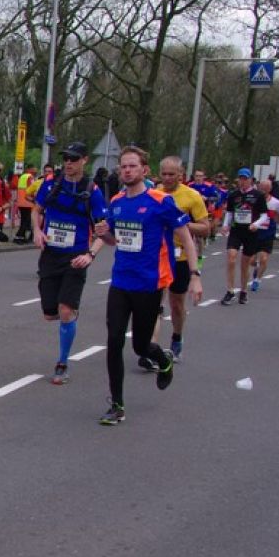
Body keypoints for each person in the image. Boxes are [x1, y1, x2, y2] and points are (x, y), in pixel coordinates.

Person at [99, 147, 200, 426]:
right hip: (121, 281)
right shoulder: (117, 202)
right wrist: (104, 234)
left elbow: (186, 238)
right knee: (114, 340)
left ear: (144, 170)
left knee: (141, 346)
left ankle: (162, 359)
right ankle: (117, 404)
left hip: (149, 283)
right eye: (123, 166)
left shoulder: (161, 201)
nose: (127, 170)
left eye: (132, 166)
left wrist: (195, 275)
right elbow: (115, 240)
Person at [32, 142, 108, 385]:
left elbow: (105, 231)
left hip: (76, 257)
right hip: (50, 255)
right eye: (66, 158)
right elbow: (37, 210)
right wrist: (37, 231)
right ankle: (69, 314)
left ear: (84, 160)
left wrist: (91, 255)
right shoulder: (51, 184)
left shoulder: (92, 191)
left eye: (73, 159)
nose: (68, 163)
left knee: (65, 310)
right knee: (50, 314)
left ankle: (62, 362)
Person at [148, 156, 208, 362]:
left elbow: (205, 228)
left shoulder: (192, 196)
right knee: (154, 302)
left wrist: (181, 224)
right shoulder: (154, 194)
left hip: (181, 256)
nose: (167, 178)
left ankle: (177, 336)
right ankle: (152, 347)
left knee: (176, 304)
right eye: (164, 174)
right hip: (157, 255)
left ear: (181, 175)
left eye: (171, 174)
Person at [221, 168, 267, 305]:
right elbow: (229, 212)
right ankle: (230, 291)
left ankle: (243, 291)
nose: (242, 181)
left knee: (245, 263)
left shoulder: (258, 195)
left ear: (250, 180)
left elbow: (264, 216)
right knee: (231, 258)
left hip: (250, 232)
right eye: (240, 178)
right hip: (236, 230)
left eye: (245, 179)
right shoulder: (233, 195)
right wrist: (225, 225)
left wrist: (256, 224)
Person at [248, 178, 279, 293]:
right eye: (262, 187)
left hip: (268, 234)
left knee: (264, 259)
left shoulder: (275, 202)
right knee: (251, 261)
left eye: (266, 188)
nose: (263, 190)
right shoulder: (254, 200)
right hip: (254, 233)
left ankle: (257, 280)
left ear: (270, 189)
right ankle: (256, 267)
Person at [13, 166, 38, 243]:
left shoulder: (22, 176)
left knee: (24, 220)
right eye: (34, 168)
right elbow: (31, 188)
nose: (35, 170)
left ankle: (22, 237)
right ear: (29, 169)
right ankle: (18, 236)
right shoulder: (30, 177)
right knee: (26, 221)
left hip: (21, 201)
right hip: (27, 202)